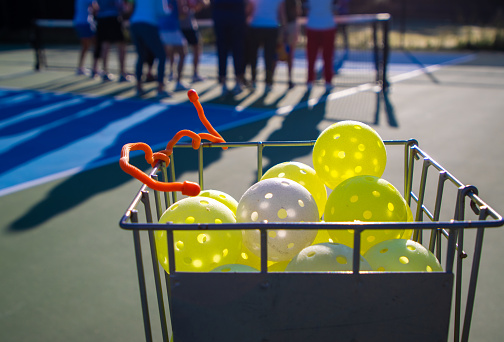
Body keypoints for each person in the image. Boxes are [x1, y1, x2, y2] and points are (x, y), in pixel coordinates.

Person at [129, 0, 169, 97]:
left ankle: (138, 87)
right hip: (149, 24)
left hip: (134, 24)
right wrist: (170, 10)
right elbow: (162, 11)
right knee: (162, 56)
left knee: (141, 56)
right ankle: (160, 88)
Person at [246, 0, 285, 93]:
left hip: (256, 27)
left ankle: (254, 80)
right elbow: (281, 14)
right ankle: (268, 82)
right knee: (268, 56)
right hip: (270, 27)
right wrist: (283, 27)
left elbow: (249, 10)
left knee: (254, 56)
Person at [211, 0, 249, 95]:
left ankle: (234, 82)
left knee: (235, 51)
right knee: (231, 51)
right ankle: (228, 82)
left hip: (230, 18)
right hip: (229, 19)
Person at [304, 0, 337, 91]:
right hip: (319, 26)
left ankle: (318, 81)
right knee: (322, 56)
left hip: (322, 26)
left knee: (320, 56)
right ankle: (324, 81)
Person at [94, 0, 129, 82]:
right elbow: (120, 5)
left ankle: (105, 72)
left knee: (105, 45)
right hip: (113, 18)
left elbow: (96, 6)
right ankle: (122, 73)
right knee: (121, 45)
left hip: (101, 19)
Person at [159, 0, 190, 92]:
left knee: (166, 55)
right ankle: (178, 81)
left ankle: (164, 81)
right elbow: (182, 13)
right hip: (172, 27)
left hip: (161, 27)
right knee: (182, 53)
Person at [179, 0, 209, 83]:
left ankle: (194, 74)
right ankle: (178, 77)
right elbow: (184, 10)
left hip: (186, 25)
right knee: (181, 52)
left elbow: (201, 5)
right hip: (184, 26)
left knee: (195, 48)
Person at [73, 0, 100, 76]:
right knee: (96, 45)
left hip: (78, 22)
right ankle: (95, 69)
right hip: (86, 23)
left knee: (85, 46)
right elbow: (96, 8)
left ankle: (80, 67)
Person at [281, 0, 301, 89]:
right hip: (282, 27)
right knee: (277, 53)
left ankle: (289, 79)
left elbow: (297, 11)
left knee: (289, 53)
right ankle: (270, 80)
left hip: (287, 27)